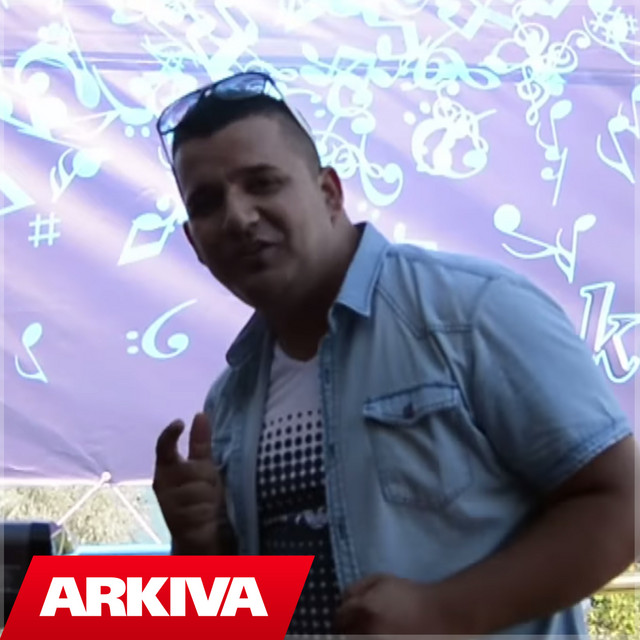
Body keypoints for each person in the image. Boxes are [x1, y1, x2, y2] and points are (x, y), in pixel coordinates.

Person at [152, 71, 638, 637]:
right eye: (207, 203)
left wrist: (444, 611)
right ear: (194, 243)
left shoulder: (471, 312)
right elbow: (239, 613)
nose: (238, 216)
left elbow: (623, 503)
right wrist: (198, 546)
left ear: (329, 193)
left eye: (262, 183)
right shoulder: (229, 402)